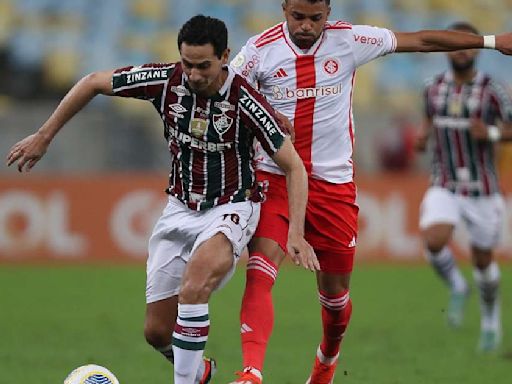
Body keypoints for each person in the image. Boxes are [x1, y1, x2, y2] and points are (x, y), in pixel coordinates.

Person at [6, 15, 318, 384]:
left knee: (195, 285)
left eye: (204, 66)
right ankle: (198, 371)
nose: (195, 74)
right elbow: (92, 82)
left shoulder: (247, 101)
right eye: (188, 64)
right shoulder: (165, 81)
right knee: (156, 331)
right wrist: (45, 135)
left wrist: (295, 233)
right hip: (178, 210)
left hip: (232, 207)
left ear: (224, 58)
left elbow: (294, 167)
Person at [227, 1, 512, 383]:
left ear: (328, 11)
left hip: (333, 187)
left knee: (335, 300)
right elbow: (226, 96)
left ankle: (326, 362)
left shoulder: (350, 39)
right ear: (284, 9)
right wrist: (263, 110)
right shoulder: (259, 50)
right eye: (298, 17)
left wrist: (492, 41)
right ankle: (251, 373)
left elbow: (423, 40)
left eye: (316, 17)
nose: (307, 26)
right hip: (274, 178)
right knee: (260, 269)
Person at [416, 21, 512, 352]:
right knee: (433, 239)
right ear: (447, 49)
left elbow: (510, 126)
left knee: (483, 260)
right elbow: (429, 120)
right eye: (455, 45)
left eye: (467, 45)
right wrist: (423, 136)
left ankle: (490, 321)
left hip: (483, 188)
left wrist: (494, 134)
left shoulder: (492, 91)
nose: (461, 51)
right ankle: (458, 286)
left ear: (475, 50)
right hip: (444, 182)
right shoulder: (432, 88)